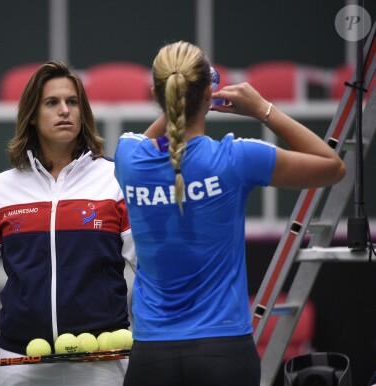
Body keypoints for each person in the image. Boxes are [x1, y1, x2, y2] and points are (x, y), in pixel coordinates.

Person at [113, 41, 346, 386]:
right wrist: (263, 109)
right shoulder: (236, 159)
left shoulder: (128, 157)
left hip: (151, 356)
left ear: (155, 95)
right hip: (223, 352)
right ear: (209, 96)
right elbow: (333, 167)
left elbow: (154, 141)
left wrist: (181, 98)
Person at [0, 61, 136, 385]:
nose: (64, 110)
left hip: (102, 361)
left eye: (72, 102)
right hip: (20, 361)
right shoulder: (2, 189)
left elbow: (150, 267)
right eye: (52, 102)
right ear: (32, 115)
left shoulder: (115, 180)